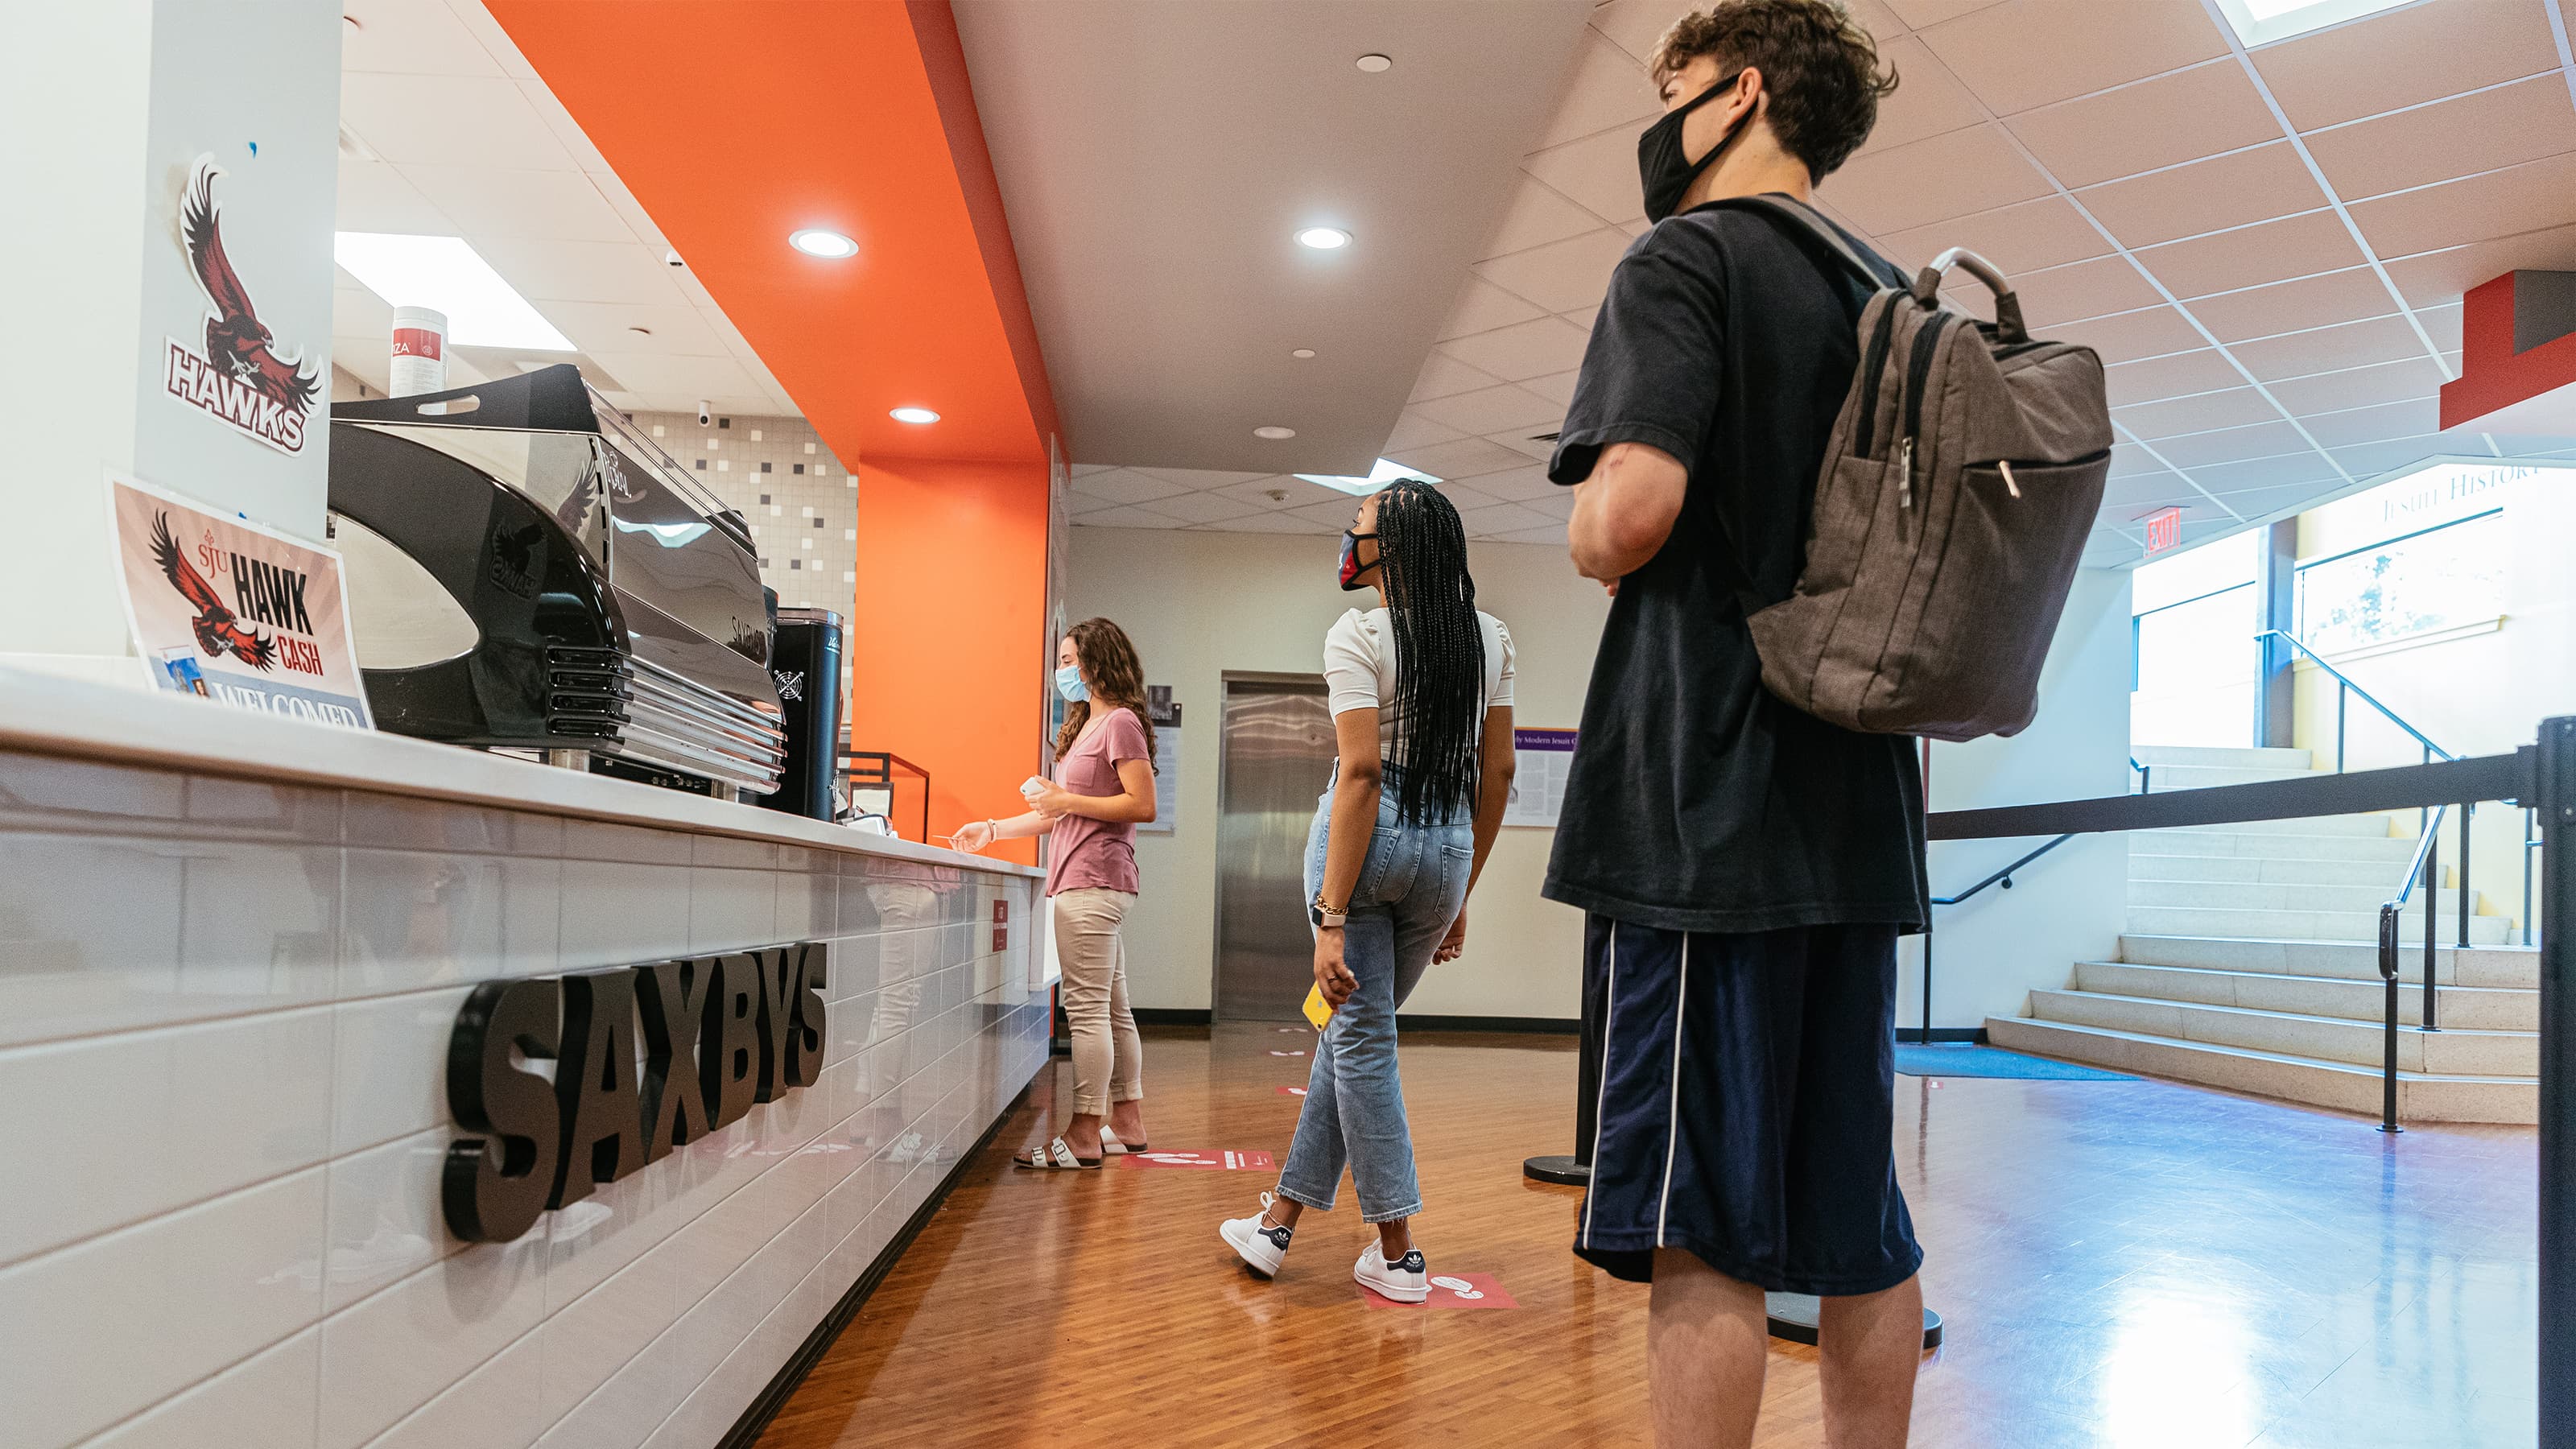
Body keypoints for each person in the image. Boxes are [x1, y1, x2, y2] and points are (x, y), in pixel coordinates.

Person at [1545, 5, 1926, 1447]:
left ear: (1742, 91)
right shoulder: (1890, 297)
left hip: (1714, 814)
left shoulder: (1685, 261)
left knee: (1696, 1221)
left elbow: (1630, 512)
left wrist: (1587, 527)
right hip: (1861, 812)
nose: (1659, 119)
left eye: (1675, 87)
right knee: (1855, 1216)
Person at [1217, 479, 1516, 1303]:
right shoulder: (1490, 639)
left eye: (1356, 528)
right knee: (1351, 1037)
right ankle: (1276, 1223)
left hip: (1366, 840)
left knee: (1360, 1043)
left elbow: (1358, 774)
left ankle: (1397, 1251)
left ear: (1393, 550)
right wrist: (1462, 895)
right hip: (1447, 846)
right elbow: (1497, 773)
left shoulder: (1358, 634)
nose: (1346, 541)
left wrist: (1330, 919)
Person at [952, 618, 1157, 1170]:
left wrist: (1067, 801)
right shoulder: (1086, 730)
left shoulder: (1120, 724)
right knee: (1112, 1010)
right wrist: (993, 829)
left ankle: (1085, 1132)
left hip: (1094, 882)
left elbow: (1142, 805)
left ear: (1095, 665)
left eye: (1069, 660)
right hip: (1086, 880)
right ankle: (1128, 1121)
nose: (1061, 670)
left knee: (1086, 1012)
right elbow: (1057, 813)